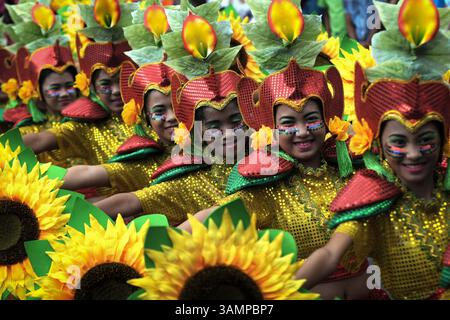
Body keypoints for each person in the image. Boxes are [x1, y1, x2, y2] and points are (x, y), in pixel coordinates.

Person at [183, 0, 369, 300]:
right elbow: (218, 215)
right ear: (268, 127)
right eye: (287, 123)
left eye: (311, 118)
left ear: (328, 116)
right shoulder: (265, 184)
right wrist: (161, 245)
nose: (301, 131)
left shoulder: (353, 164)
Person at [294, 0, 450, 299]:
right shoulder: (374, 201)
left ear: (444, 140)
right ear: (378, 143)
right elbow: (329, 256)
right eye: (399, 142)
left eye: (426, 140)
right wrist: (269, 294)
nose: (414, 153)